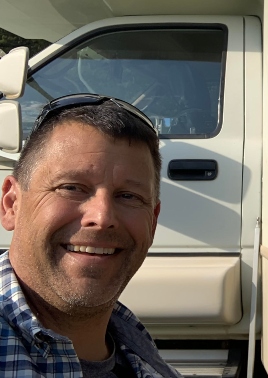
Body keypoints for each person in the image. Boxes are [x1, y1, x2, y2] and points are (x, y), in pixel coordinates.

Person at [0, 94, 181, 377]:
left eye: (128, 196)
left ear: (153, 221)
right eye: (72, 187)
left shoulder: (141, 355)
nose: (103, 217)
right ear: (12, 204)